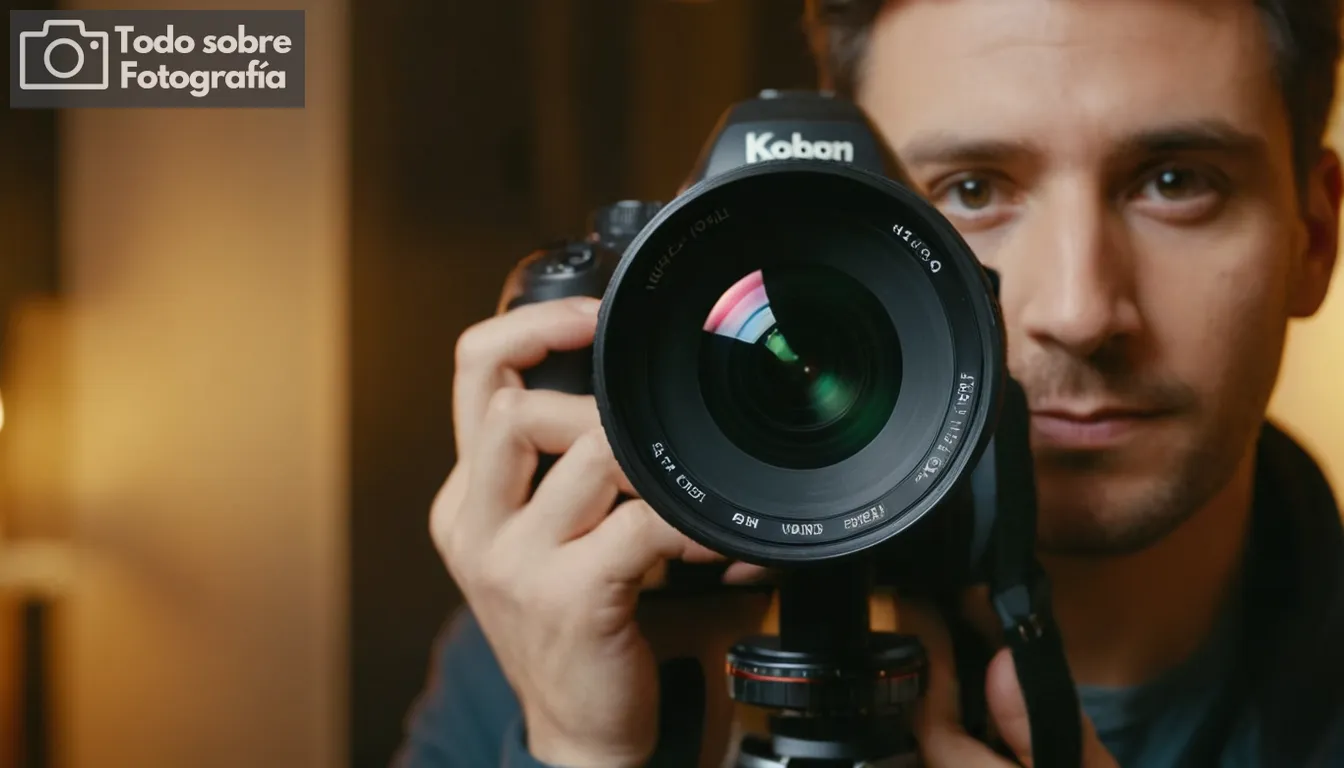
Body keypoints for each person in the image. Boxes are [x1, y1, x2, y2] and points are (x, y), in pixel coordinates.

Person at [395, 0, 1344, 765]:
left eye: (1176, 181)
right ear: (820, 213)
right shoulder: (567, 633)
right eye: (969, 190)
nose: (1080, 308)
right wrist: (580, 754)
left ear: (1315, 236)